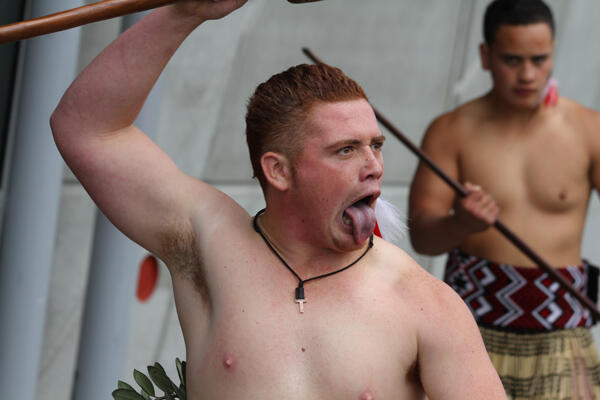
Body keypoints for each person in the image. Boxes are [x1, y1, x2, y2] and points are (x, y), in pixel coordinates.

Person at [50, 1, 506, 398]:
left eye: (376, 145)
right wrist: (183, 14)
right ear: (278, 170)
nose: (374, 166)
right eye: (345, 149)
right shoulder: (206, 240)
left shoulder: (423, 302)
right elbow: (87, 130)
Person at [408, 0, 600, 398]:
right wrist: (460, 223)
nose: (528, 74)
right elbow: (423, 238)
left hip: (562, 335)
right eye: (512, 59)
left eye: (540, 59)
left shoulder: (588, 130)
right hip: (469, 332)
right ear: (485, 56)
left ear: (553, 52)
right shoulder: (451, 130)